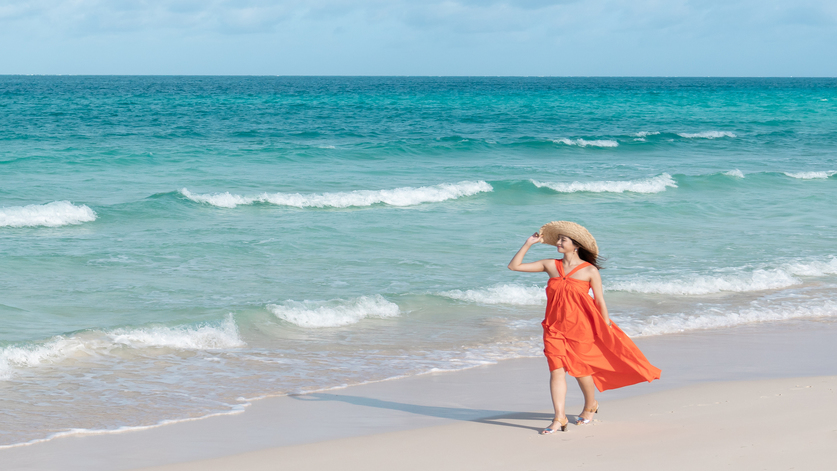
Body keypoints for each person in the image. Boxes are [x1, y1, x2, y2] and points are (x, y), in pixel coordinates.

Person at [508, 221, 661, 434]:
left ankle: (590, 405)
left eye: (563, 240)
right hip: (553, 328)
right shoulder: (551, 265)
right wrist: (528, 244)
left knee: (581, 371)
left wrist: (606, 325)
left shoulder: (589, 271)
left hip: (580, 328)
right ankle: (559, 417)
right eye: (559, 239)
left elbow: (599, 300)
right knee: (556, 371)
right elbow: (514, 266)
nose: (558, 243)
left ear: (576, 245)